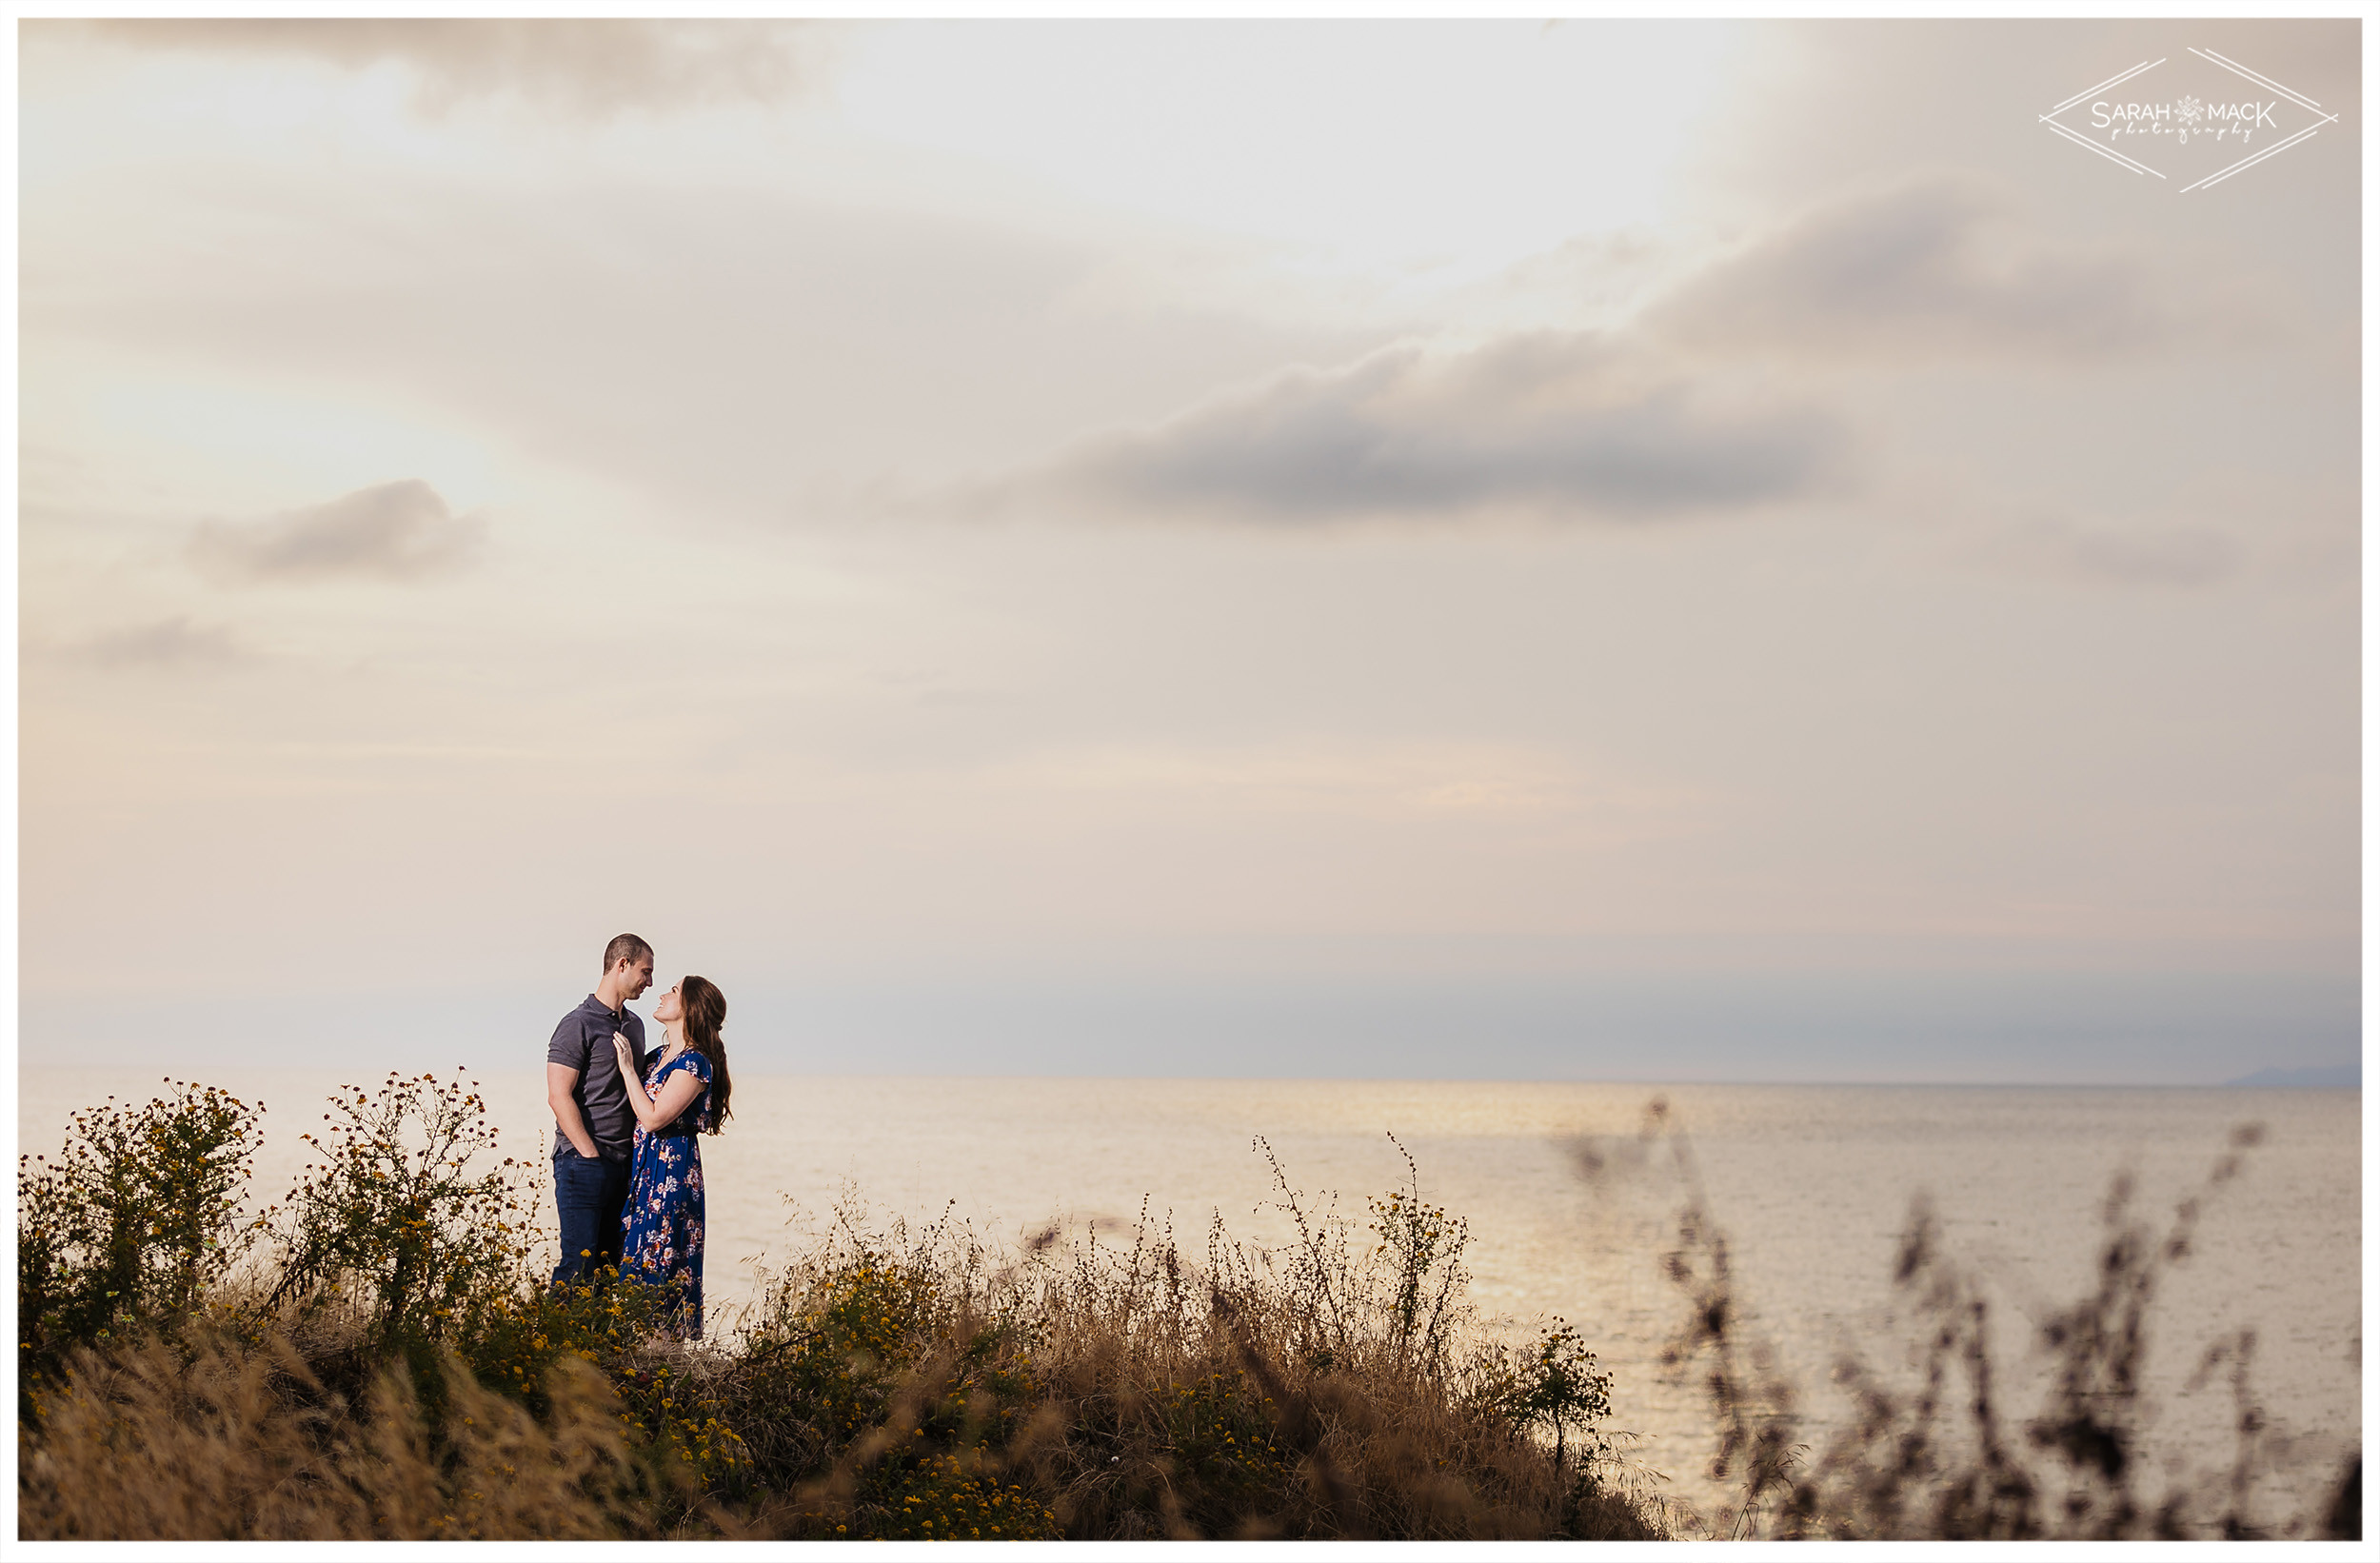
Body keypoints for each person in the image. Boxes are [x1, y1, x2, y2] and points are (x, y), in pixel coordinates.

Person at [612, 974, 732, 1339]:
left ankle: (662, 1363)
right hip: (647, 1171)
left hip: (671, 1173)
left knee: (663, 1261)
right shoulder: (660, 1057)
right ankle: (639, 1359)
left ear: (689, 1008)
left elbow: (652, 1117)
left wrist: (628, 1070)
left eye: (674, 991)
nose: (663, 993)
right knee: (638, 1260)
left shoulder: (695, 1064)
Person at [546, 933, 654, 1289]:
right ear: (622, 965)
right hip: (582, 1163)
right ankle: (554, 1344)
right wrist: (590, 1156)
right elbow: (559, 1096)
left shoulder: (635, 1026)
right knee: (578, 1264)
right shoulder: (577, 1024)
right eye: (645, 971)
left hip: (624, 1164)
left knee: (610, 1268)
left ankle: (597, 1345)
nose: (649, 982)